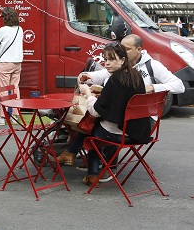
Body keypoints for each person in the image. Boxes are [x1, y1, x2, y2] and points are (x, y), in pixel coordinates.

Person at [56, 43, 147, 185]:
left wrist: (87, 93)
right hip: (138, 130)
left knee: (90, 127)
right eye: (105, 59)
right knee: (93, 125)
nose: (107, 63)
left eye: (112, 59)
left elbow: (95, 111)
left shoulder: (115, 80)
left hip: (121, 133)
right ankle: (76, 158)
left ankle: (79, 160)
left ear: (123, 60)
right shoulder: (135, 76)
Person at [0, 7, 23, 125]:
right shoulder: (20, 29)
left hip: (5, 62)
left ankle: (3, 116)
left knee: (4, 89)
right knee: (15, 88)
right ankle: (15, 115)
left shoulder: (2, 30)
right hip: (18, 62)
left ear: (5, 18)